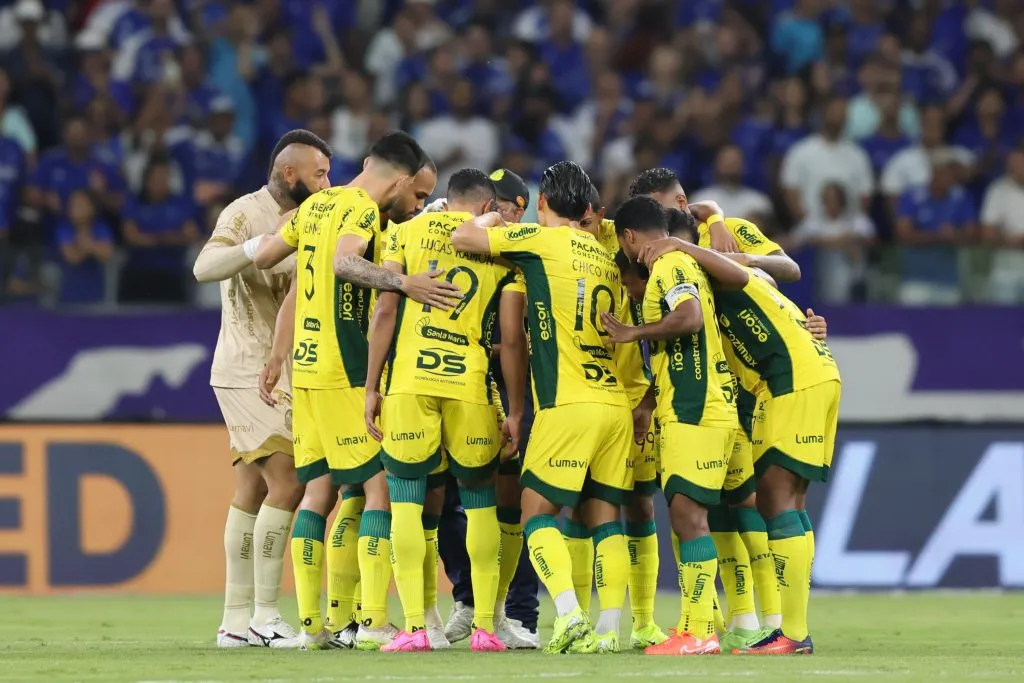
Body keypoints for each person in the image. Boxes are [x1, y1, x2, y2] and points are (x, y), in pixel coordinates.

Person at [252, 131, 455, 650]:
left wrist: (277, 356)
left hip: (305, 368)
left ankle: (315, 626)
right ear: (404, 179)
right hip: (343, 371)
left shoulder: (317, 205)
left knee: (322, 492)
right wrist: (404, 283)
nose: (416, 206)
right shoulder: (361, 210)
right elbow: (343, 263)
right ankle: (370, 620)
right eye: (417, 195)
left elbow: (270, 260)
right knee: (378, 487)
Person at [452, 161, 634, 654]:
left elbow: (462, 239)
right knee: (605, 520)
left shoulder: (540, 240)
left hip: (566, 401)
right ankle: (609, 630)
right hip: (613, 401)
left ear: (544, 204)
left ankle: (571, 614)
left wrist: (491, 218)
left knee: (536, 516)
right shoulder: (602, 254)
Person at [634, 232, 842, 656]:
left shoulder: (715, 269)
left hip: (792, 381)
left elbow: (758, 271)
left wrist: (685, 245)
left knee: (778, 502)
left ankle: (793, 633)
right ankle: (788, 630)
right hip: (808, 374)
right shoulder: (717, 288)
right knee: (785, 503)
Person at [363, 168, 529, 653]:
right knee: (481, 504)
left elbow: (385, 312)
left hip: (411, 383)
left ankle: (416, 628)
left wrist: (372, 386)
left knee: (409, 503)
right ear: (484, 206)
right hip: (470, 386)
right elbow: (513, 339)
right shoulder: (500, 249)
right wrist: (515, 410)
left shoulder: (405, 232)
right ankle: (483, 627)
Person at [192, 128, 331, 648]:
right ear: (288, 173)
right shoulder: (245, 212)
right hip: (247, 366)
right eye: (319, 174)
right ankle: (266, 616)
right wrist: (260, 247)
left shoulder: (315, 216)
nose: (327, 183)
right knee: (290, 480)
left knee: (251, 490)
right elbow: (203, 268)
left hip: (284, 369)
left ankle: (234, 622)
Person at [603, 196, 739, 656]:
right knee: (689, 518)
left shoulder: (668, 265)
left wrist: (633, 333)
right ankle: (697, 627)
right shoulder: (682, 261)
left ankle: (697, 633)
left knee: (689, 520)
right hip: (695, 407)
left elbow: (691, 317)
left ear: (628, 237)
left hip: (695, 408)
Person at [424, 168, 541, 650]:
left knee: (511, 498)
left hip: (510, 383)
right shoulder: (447, 233)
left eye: (507, 207)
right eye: (491, 204)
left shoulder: (524, 249)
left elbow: (527, 333)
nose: (497, 214)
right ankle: (467, 601)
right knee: (451, 499)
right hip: (453, 380)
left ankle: (516, 611)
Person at [578, 184, 668, 651]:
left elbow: (677, 329)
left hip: (633, 399)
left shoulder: (630, 242)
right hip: (579, 395)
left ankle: (644, 621)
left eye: (588, 222)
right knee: (578, 506)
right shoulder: (555, 241)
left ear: (601, 215)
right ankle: (576, 622)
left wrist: (648, 402)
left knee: (638, 505)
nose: (582, 229)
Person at [627, 167, 801, 283]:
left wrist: (746, 259)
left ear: (680, 202)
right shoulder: (648, 249)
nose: (650, 218)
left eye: (655, 208)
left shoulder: (730, 229)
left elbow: (792, 270)